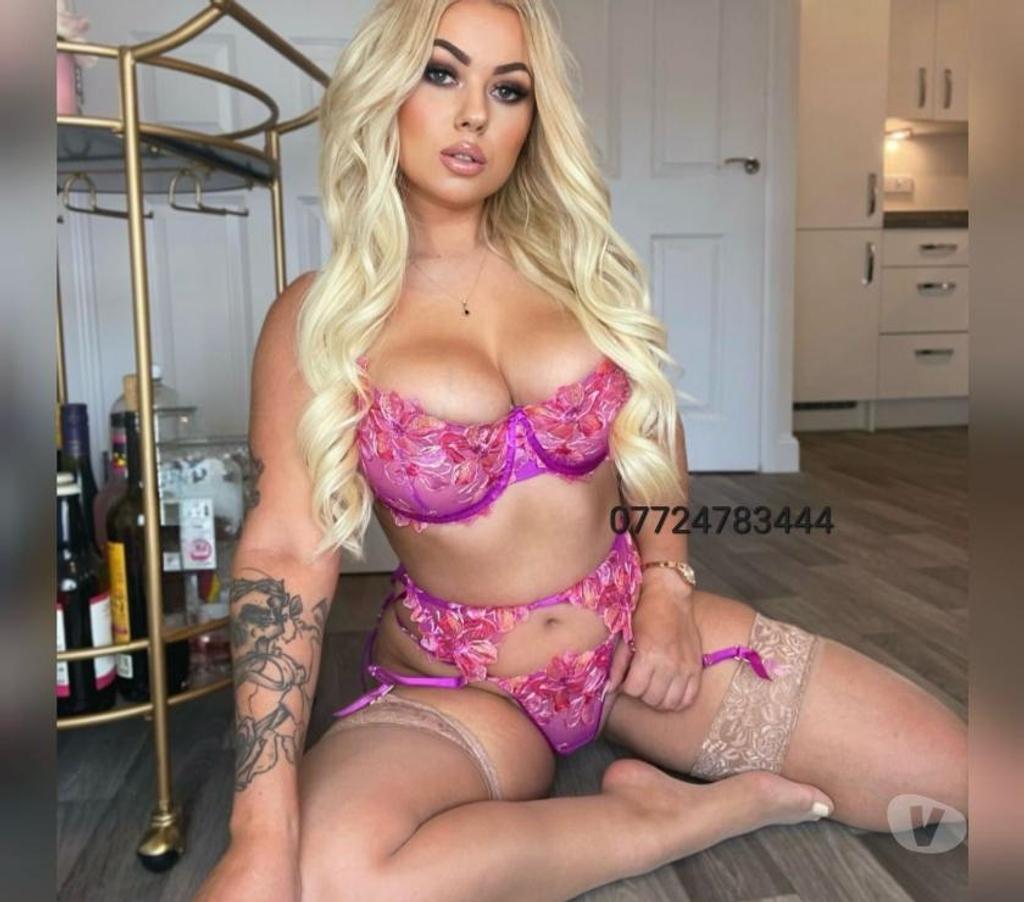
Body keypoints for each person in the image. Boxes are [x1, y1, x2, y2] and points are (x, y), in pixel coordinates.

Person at [196, 1, 967, 899]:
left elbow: (654, 430)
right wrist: (258, 830)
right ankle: (659, 818)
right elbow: (287, 555)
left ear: (534, 118)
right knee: (336, 877)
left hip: (635, 645)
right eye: (441, 74)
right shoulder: (319, 319)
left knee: (949, 780)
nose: (474, 114)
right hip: (461, 686)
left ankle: (648, 767)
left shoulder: (580, 277)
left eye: (508, 90)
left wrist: (667, 586)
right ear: (383, 90)